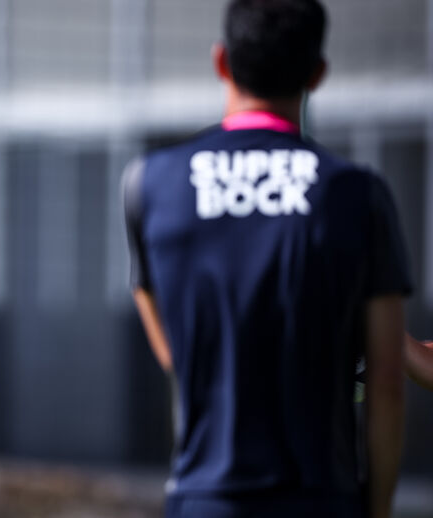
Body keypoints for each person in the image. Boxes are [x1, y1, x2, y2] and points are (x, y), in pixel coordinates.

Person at [122, 1, 411, 517]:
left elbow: (171, 347)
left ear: (221, 62)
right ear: (318, 74)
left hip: (204, 501)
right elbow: (384, 383)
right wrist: (379, 507)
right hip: (321, 500)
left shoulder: (150, 184)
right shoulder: (357, 193)